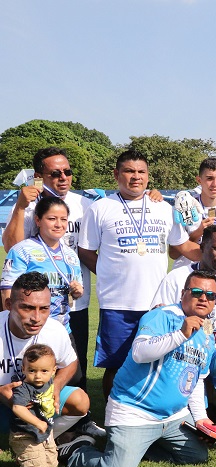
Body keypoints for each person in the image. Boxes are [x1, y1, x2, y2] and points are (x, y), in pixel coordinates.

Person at [63, 271, 216, 467]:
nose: (204, 298)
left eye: (210, 295)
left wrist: (201, 419)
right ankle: (75, 450)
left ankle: (140, 447)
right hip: (134, 411)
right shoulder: (161, 316)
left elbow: (197, 379)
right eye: (197, 292)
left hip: (174, 417)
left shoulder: (207, 334)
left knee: (196, 456)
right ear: (183, 293)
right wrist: (180, 334)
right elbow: (140, 353)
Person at [78, 149, 201, 398]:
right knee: (115, 365)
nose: (136, 177)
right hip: (117, 304)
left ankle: (149, 415)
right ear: (116, 174)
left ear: (148, 175)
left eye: (141, 171)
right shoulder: (100, 208)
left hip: (157, 304)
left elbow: (184, 246)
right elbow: (86, 251)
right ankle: (114, 419)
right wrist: (108, 273)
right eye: (129, 171)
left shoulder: (163, 208)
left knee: (158, 363)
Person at [151, 225, 216, 455]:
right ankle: (202, 418)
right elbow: (159, 314)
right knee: (198, 412)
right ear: (202, 246)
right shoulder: (177, 277)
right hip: (183, 352)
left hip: (215, 350)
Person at [2, 147, 94, 390]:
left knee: (74, 363)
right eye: (55, 173)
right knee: (35, 363)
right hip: (35, 308)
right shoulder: (29, 205)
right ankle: (27, 414)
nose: (63, 177)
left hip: (73, 303)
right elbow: (12, 246)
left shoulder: (85, 204)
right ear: (39, 175)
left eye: (67, 171)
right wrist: (21, 206)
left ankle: (77, 419)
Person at [0, 273, 102, 442]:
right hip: (3, 404)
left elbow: (70, 363)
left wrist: (55, 386)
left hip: (37, 399)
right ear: (9, 304)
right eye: (27, 308)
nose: (36, 318)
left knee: (79, 401)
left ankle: (45, 439)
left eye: (44, 309)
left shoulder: (54, 330)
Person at [1, 196, 84, 332]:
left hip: (62, 330)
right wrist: (13, 328)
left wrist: (77, 291)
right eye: (52, 219)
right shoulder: (22, 250)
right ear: (38, 220)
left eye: (63, 219)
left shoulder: (71, 255)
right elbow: (7, 292)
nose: (58, 224)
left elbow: (77, 292)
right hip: (30, 329)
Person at [8, 344, 65, 467]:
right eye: (32, 370)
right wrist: (37, 422)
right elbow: (17, 408)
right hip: (25, 433)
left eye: (44, 371)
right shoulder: (23, 389)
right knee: (33, 461)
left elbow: (48, 397)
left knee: (47, 457)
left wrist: (54, 405)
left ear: (53, 371)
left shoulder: (49, 382)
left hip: (44, 430)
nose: (38, 376)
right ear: (23, 369)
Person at [170, 158, 216, 269]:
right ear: (199, 180)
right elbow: (173, 254)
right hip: (187, 271)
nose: (215, 184)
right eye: (209, 178)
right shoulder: (185, 206)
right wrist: (198, 232)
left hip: (215, 273)